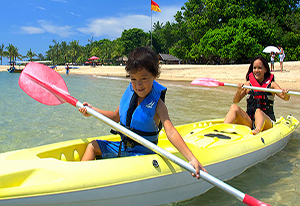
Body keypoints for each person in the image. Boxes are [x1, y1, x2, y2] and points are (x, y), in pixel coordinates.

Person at [79, 46, 205, 178]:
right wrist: (93, 111)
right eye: (133, 79)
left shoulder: (158, 105)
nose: (138, 85)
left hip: (143, 157)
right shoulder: (130, 93)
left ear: (154, 76)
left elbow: (171, 132)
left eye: (144, 79)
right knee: (93, 146)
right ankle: (78, 181)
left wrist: (191, 158)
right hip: (124, 147)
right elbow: (115, 116)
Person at [223, 56, 290, 135]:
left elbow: (285, 98)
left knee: (258, 111)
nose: (256, 70)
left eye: (260, 68)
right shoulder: (248, 84)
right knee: (234, 107)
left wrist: (286, 93)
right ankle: (223, 130)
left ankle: (257, 131)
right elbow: (236, 101)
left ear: (265, 70)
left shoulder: (272, 85)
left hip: (267, 122)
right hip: (251, 122)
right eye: (254, 68)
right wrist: (239, 91)